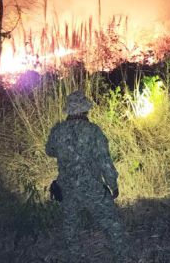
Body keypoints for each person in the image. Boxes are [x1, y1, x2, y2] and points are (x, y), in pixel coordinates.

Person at [45, 90, 126, 261]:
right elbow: (104, 160)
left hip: (66, 187)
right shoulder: (93, 131)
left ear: (69, 110)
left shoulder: (58, 131)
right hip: (92, 188)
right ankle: (121, 255)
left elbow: (50, 151)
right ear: (85, 110)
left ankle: (75, 257)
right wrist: (113, 184)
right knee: (112, 223)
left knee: (70, 226)